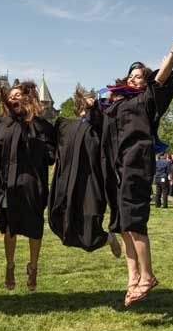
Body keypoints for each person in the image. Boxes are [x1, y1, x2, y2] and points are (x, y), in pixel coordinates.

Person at [99, 36, 173, 306]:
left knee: (134, 221)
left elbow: (162, 79)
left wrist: (172, 53)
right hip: (116, 167)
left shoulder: (147, 100)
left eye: (140, 76)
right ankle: (133, 277)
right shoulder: (117, 103)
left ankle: (148, 275)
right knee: (122, 224)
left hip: (136, 164)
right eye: (131, 75)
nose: (135, 79)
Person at [0, 81, 56, 291]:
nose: (14, 97)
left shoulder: (42, 125)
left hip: (31, 183)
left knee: (34, 227)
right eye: (11, 95)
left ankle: (33, 267)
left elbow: (52, 155)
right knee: (10, 227)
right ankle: (10, 265)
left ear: (28, 98)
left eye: (19, 94)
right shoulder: (1, 123)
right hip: (7, 183)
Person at [49, 87, 121, 257]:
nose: (89, 105)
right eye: (86, 102)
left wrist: (95, 108)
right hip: (68, 184)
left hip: (91, 183)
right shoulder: (65, 126)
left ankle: (106, 238)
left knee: (90, 226)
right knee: (63, 224)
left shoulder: (100, 127)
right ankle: (104, 239)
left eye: (92, 103)